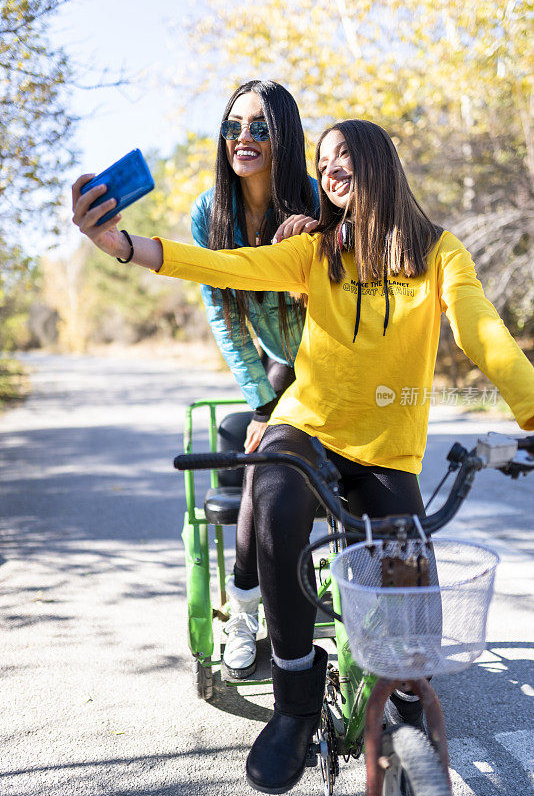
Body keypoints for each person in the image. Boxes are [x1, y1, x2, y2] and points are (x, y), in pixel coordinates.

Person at [72, 118, 534, 794]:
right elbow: (225, 265)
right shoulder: (316, 251)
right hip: (308, 424)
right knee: (274, 490)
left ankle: (405, 701)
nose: (330, 168)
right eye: (322, 161)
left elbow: (481, 329)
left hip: (387, 452)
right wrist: (123, 246)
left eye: (343, 154)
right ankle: (293, 699)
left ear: (379, 160)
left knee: (414, 579)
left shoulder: (440, 253)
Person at [190, 80, 319, 679]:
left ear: (284, 137)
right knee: (259, 457)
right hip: (276, 361)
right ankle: (244, 611)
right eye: (234, 126)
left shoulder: (318, 203)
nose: (244, 138)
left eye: (261, 128)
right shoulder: (208, 213)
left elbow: (343, 305)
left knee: (287, 471)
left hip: (327, 360)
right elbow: (223, 314)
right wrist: (263, 402)